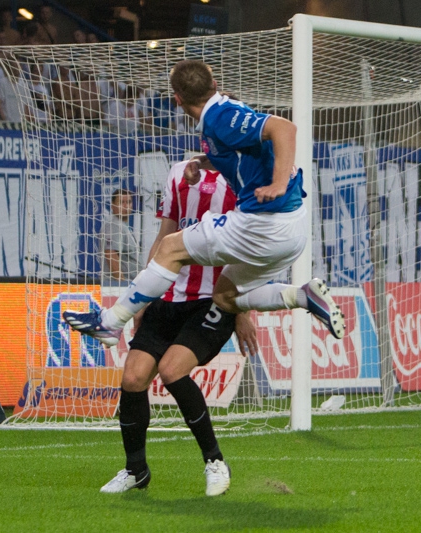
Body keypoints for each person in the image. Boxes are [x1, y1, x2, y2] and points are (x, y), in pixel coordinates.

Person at [63, 59, 345, 348]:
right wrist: (204, 160)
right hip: (292, 231)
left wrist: (279, 183)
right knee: (225, 297)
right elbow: (244, 149)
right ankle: (303, 296)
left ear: (177, 99)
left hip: (263, 223)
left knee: (170, 247)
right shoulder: (217, 119)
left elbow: (285, 129)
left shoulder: (220, 116)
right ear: (214, 84)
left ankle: (110, 323)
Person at [100, 159, 252, 497]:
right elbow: (163, 236)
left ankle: (214, 462)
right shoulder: (177, 173)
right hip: (168, 297)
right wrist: (141, 295)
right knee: (133, 377)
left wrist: (241, 308)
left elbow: (247, 248)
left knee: (171, 370)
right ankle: (135, 470)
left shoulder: (241, 178)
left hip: (212, 300)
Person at [101, 188, 140, 282]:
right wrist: (121, 283)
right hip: (119, 286)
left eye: (129, 202)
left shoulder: (124, 226)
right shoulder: (114, 225)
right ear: (112, 206)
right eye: (121, 202)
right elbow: (111, 254)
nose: (126, 206)